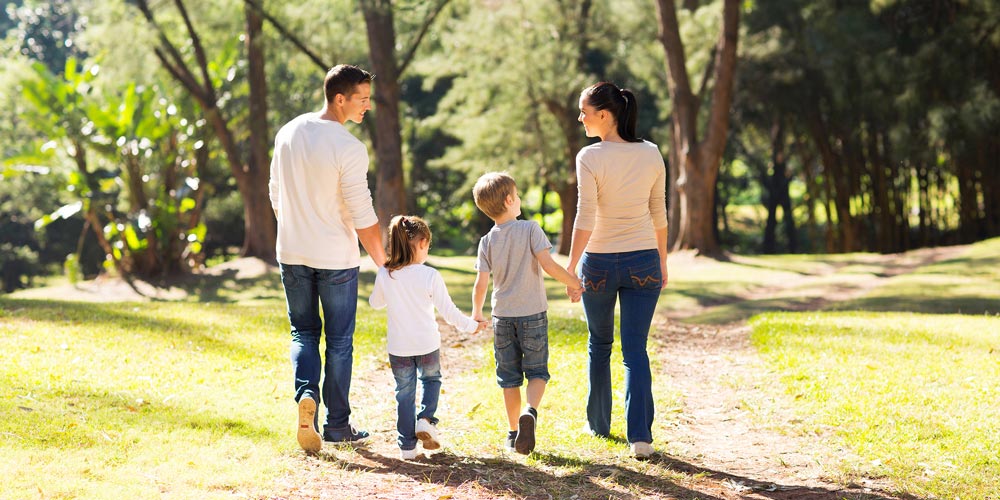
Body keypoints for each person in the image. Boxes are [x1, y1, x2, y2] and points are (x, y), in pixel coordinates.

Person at [268, 64, 386, 453]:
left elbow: (275, 193)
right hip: (335, 257)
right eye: (362, 98)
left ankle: (307, 398)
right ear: (340, 98)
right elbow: (362, 213)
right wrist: (384, 263)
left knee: (303, 332)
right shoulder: (348, 147)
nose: (368, 105)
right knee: (338, 341)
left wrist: (295, 228)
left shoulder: (288, 132)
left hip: (292, 252)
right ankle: (337, 426)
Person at [565, 82, 669, 459]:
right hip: (644, 261)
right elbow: (659, 211)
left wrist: (571, 266)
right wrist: (663, 260)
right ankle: (640, 437)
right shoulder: (652, 153)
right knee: (635, 349)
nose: (581, 118)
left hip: (601, 263)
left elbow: (586, 215)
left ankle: (598, 425)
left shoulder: (590, 157)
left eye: (585, 112)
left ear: (604, 115)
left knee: (600, 345)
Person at [471, 172, 585, 455]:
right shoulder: (531, 229)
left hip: (502, 318)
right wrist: (575, 283)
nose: (520, 198)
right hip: (533, 314)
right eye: (518, 194)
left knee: (509, 378)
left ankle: (512, 434)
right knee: (537, 372)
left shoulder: (486, 241)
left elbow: (481, 283)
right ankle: (530, 412)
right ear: (510, 201)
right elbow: (548, 264)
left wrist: (476, 313)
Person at [369, 215, 486, 460]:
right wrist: (471, 327)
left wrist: (387, 283)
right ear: (422, 243)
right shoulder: (430, 275)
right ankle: (425, 419)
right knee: (431, 380)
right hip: (427, 344)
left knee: (404, 392)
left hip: (399, 347)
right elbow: (449, 312)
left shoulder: (385, 274)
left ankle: (407, 448)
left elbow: (375, 303)